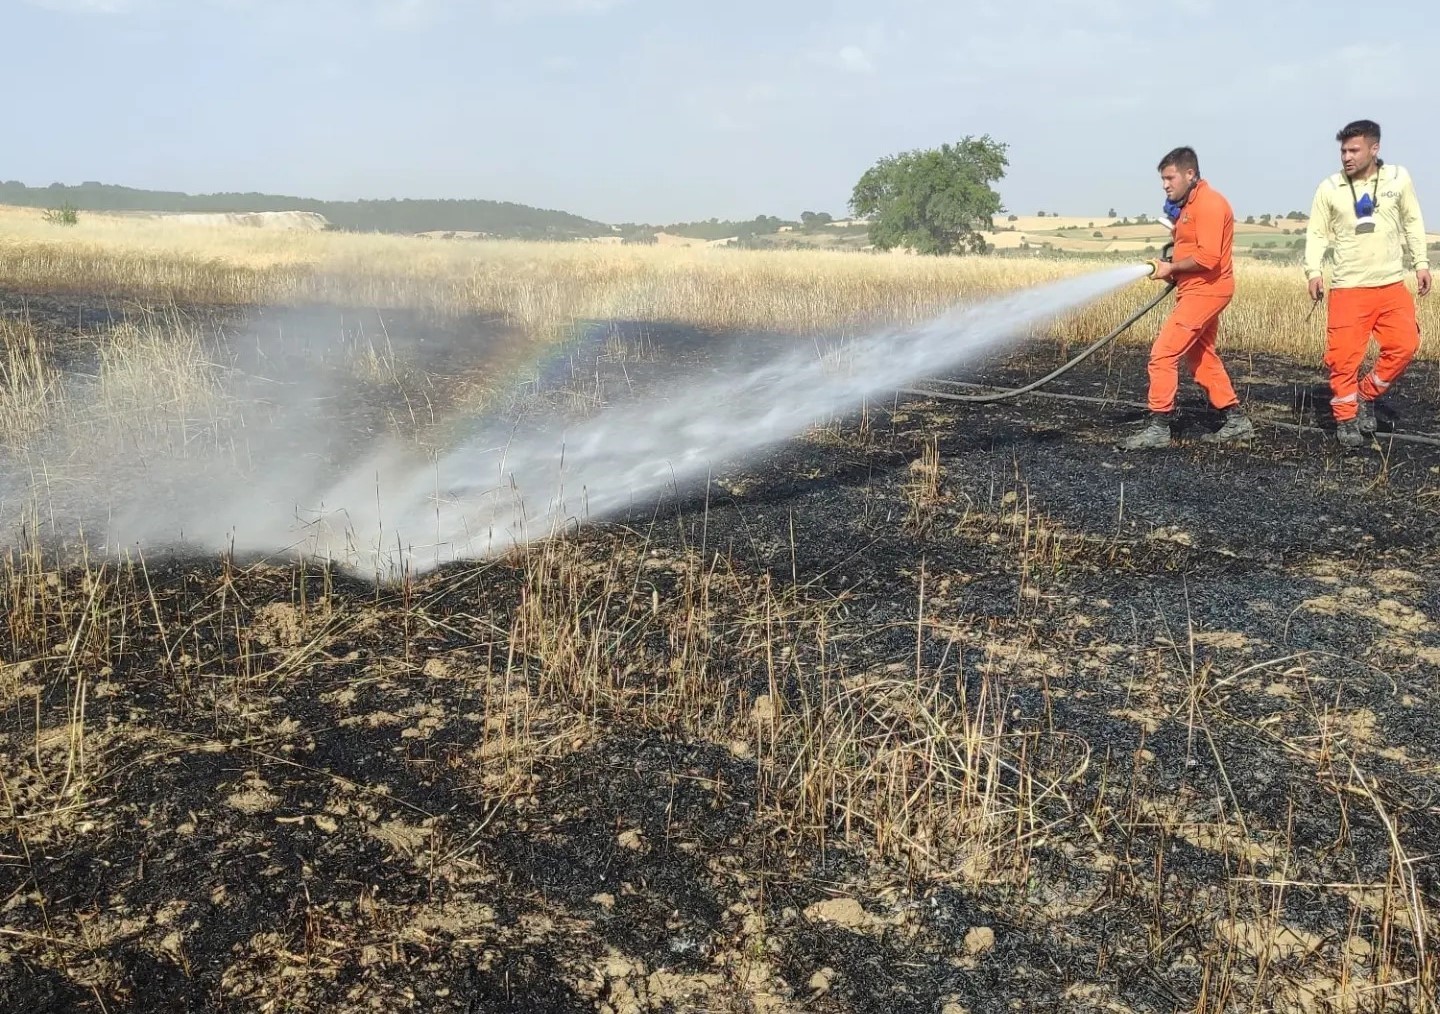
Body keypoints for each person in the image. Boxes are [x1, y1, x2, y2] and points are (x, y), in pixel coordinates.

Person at [1303, 119, 1430, 447]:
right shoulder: (1329, 188)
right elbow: (1316, 233)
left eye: (1354, 150)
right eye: (1343, 150)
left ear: (1375, 149)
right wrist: (1314, 271)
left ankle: (1365, 394)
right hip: (1348, 288)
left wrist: (1421, 263)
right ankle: (1346, 418)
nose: (1346, 156)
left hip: (1390, 284)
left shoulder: (1398, 179)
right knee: (1343, 358)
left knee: (1405, 345)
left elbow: (1413, 221)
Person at [1121, 147, 1254, 451]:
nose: (1165, 185)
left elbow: (1208, 257)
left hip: (1207, 290)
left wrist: (1172, 267)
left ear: (1190, 174)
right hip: (1198, 288)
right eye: (1163, 180)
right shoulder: (1191, 206)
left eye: (1170, 178)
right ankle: (1236, 420)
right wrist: (1173, 270)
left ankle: (1158, 427)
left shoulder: (1209, 204)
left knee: (1163, 354)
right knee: (1200, 356)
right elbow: (1192, 252)